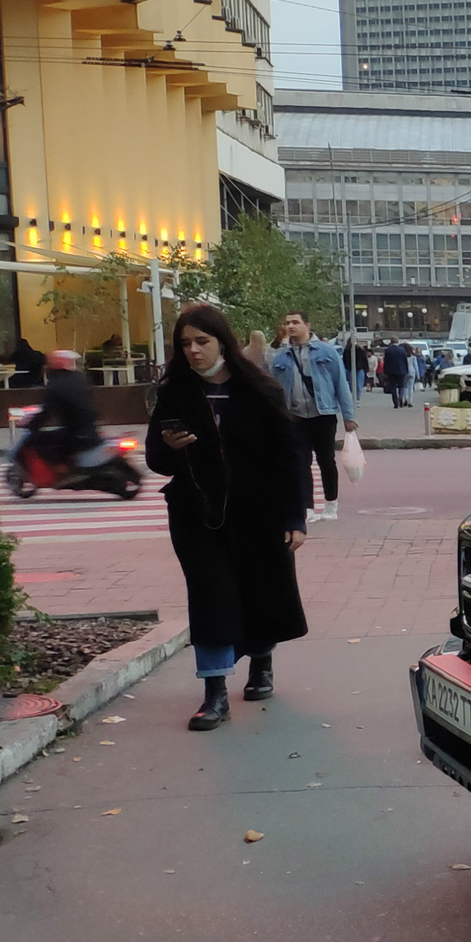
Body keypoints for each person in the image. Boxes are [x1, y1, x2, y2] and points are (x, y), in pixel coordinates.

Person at [145, 305, 310, 731]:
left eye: (202, 341)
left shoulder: (258, 389)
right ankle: (214, 693)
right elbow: (156, 460)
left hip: (258, 514)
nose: (194, 351)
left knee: (259, 589)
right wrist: (172, 447)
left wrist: (295, 516)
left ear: (223, 342)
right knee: (211, 594)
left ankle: (262, 661)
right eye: (185, 344)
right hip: (196, 515)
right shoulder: (174, 392)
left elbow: (289, 457)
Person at [272, 310, 357, 522]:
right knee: (300, 461)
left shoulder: (327, 352)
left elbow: (341, 384)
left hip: (323, 413)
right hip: (295, 416)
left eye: (295, 322)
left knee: (326, 460)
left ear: (307, 325)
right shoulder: (281, 356)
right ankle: (307, 507)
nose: (290, 326)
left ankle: (331, 504)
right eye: (287, 322)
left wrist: (348, 416)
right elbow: (274, 389)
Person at [32, 349, 105, 467]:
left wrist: (32, 425)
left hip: (74, 432)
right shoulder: (81, 379)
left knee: (40, 440)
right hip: (89, 429)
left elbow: (47, 411)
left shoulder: (56, 384)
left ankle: (58, 470)